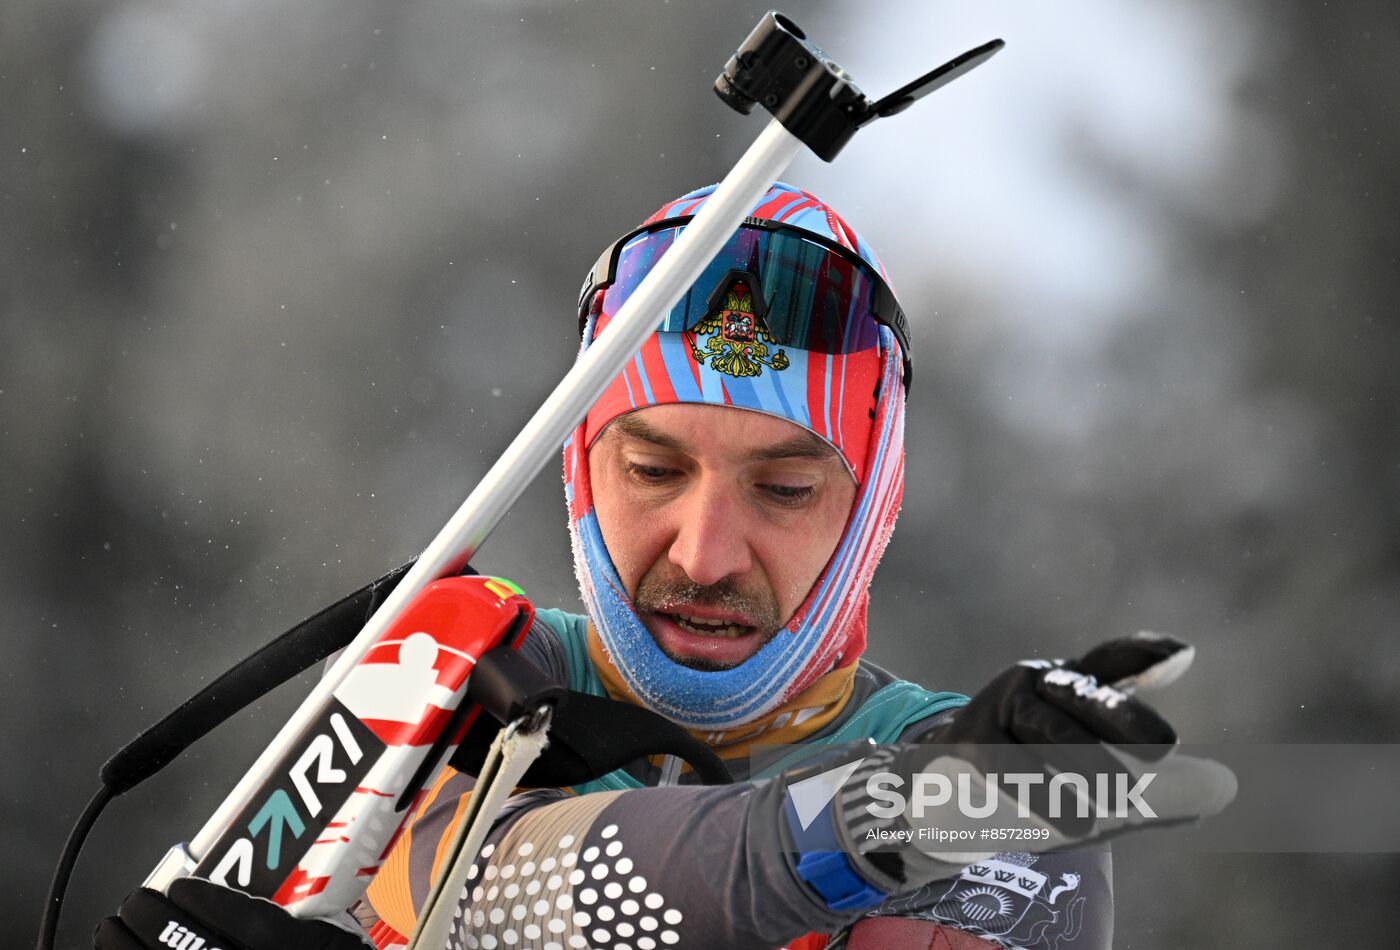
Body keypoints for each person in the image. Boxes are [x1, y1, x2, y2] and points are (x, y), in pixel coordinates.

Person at [96, 183, 1218, 950]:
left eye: (783, 488)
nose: (704, 551)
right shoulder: (452, 669)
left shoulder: (982, 779)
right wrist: (869, 825)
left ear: (871, 511)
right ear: (579, 472)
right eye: (651, 467)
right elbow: (492, 890)